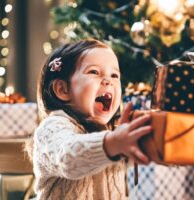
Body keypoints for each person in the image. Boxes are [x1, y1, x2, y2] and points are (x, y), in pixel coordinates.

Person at [29, 39, 152, 199]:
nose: (108, 81)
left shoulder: (113, 132)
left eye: (114, 75)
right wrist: (113, 143)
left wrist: (150, 143)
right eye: (94, 72)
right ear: (62, 89)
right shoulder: (51, 128)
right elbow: (67, 158)